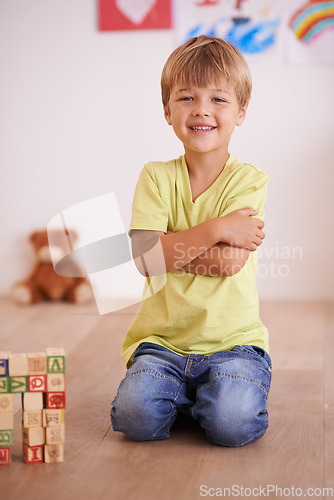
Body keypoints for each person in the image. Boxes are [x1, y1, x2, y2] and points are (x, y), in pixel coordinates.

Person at [110, 35, 272, 447]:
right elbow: (145, 261)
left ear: (241, 112)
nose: (201, 109)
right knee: (134, 417)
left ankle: (203, 398)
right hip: (162, 344)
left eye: (218, 99)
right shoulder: (156, 177)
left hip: (234, 344)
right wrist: (217, 230)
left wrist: (167, 249)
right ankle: (189, 396)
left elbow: (229, 264)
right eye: (186, 98)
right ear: (167, 110)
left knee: (232, 425)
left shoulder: (249, 180)